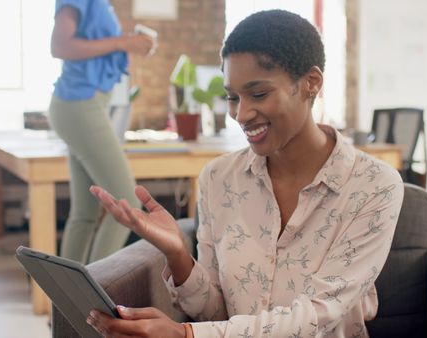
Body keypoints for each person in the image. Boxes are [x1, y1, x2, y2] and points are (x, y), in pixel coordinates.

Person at [86, 9, 404, 338]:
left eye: (259, 94)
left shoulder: (374, 186)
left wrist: (185, 335)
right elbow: (215, 313)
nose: (241, 114)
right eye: (232, 97)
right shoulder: (218, 179)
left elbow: (318, 316)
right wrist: (178, 254)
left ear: (311, 83)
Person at [48, 0, 155, 263]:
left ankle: (66, 301)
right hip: (79, 104)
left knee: (85, 212)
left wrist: (129, 43)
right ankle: (95, 293)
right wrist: (122, 43)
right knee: (126, 205)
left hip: (82, 105)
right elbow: (60, 45)